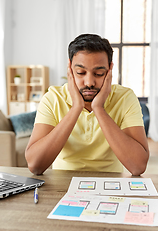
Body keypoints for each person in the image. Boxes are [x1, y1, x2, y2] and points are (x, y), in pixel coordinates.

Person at [25, 34, 149, 175]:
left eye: (99, 73)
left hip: (110, 183)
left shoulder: (125, 98)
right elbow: (35, 165)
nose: (89, 82)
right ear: (70, 68)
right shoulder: (53, 98)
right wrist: (76, 108)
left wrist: (99, 109)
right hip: (62, 184)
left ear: (110, 70)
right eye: (80, 72)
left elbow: (138, 166)